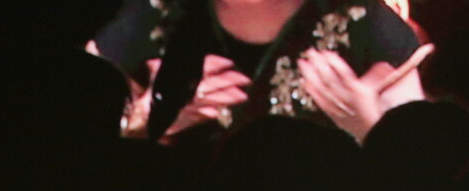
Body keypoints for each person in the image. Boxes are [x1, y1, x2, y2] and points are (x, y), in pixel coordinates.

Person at [135, 0, 428, 143]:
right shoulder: (153, 12)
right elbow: (108, 135)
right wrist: (143, 119)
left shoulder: (365, 17)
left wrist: (367, 126)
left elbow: (420, 173)